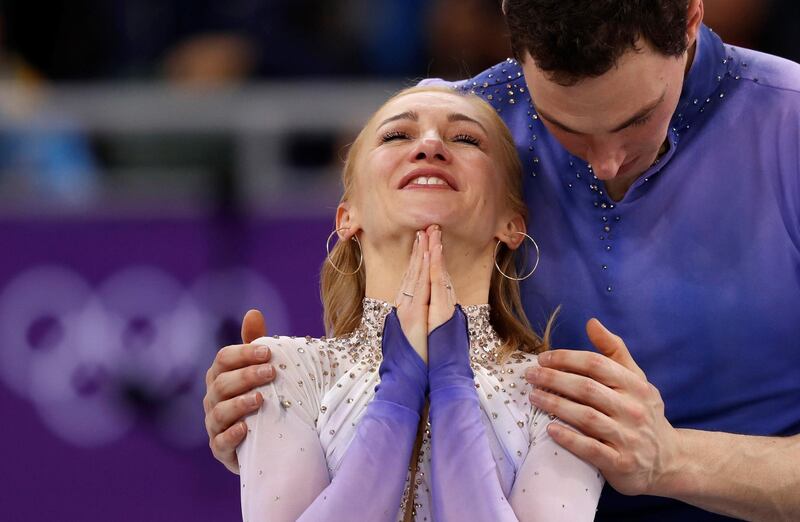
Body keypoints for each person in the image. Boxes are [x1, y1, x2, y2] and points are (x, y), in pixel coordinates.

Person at [205, 1, 800, 520]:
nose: (607, 164)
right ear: (515, 42)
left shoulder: (788, 126)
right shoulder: (463, 135)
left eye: (638, 119)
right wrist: (261, 415)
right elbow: (376, 357)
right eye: (563, 128)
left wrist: (672, 460)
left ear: (692, 15)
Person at [233, 85, 604, 521]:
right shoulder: (285, 371)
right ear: (347, 216)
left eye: (465, 139)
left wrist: (452, 385)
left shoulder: (562, 397)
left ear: (512, 224)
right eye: (397, 136)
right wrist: (398, 391)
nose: (430, 146)